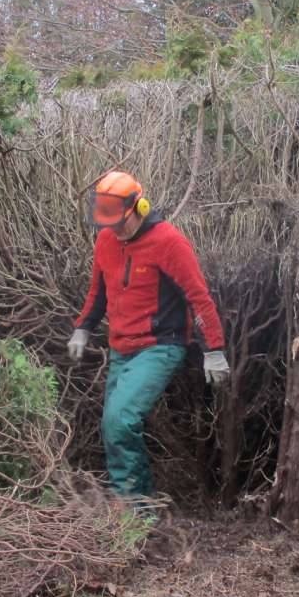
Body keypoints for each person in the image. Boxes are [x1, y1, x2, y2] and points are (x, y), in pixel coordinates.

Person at [68, 170, 230, 498]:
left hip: (159, 346)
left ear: (139, 208)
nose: (113, 228)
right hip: (120, 348)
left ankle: (133, 509)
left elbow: (198, 297)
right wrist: (82, 328)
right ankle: (134, 503)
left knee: (119, 420)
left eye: (118, 221)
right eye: (107, 222)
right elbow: (97, 292)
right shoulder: (106, 241)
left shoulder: (168, 242)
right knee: (113, 428)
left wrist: (214, 349)